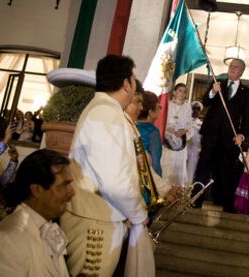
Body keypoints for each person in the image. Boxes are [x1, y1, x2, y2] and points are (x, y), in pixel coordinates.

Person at [60, 55, 153, 277]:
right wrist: (139, 214)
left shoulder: (104, 110)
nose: (134, 89)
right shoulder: (106, 113)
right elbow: (114, 180)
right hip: (95, 221)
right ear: (125, 84)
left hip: (97, 216)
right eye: (133, 81)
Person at [0, 149, 74, 277]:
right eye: (64, 185)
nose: (72, 192)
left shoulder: (46, 228)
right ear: (37, 190)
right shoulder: (6, 242)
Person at [193, 58, 249, 212]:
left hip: (230, 138)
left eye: (236, 67)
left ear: (242, 71)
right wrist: (213, 91)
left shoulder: (247, 92)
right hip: (210, 134)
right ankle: (196, 200)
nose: (232, 69)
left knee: (226, 171)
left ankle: (225, 203)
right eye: (231, 66)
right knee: (204, 167)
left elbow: (246, 119)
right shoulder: (218, 82)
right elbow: (205, 101)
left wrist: (242, 135)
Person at [162, 83, 193, 187]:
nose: (182, 93)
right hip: (168, 139)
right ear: (174, 92)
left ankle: (176, 191)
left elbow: (190, 125)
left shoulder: (188, 107)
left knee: (178, 166)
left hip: (180, 140)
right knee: (167, 164)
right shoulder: (168, 105)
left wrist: (183, 131)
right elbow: (162, 121)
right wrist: (169, 130)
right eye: (180, 90)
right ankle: (165, 189)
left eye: (184, 91)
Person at [137, 91, 163, 177]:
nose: (160, 109)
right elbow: (155, 163)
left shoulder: (132, 125)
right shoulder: (152, 131)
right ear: (151, 112)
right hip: (147, 179)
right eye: (158, 107)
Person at [186, 101, 203, 184]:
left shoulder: (201, 125)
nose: (195, 111)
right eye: (194, 108)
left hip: (195, 152)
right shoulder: (185, 122)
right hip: (184, 150)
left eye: (198, 109)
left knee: (190, 175)